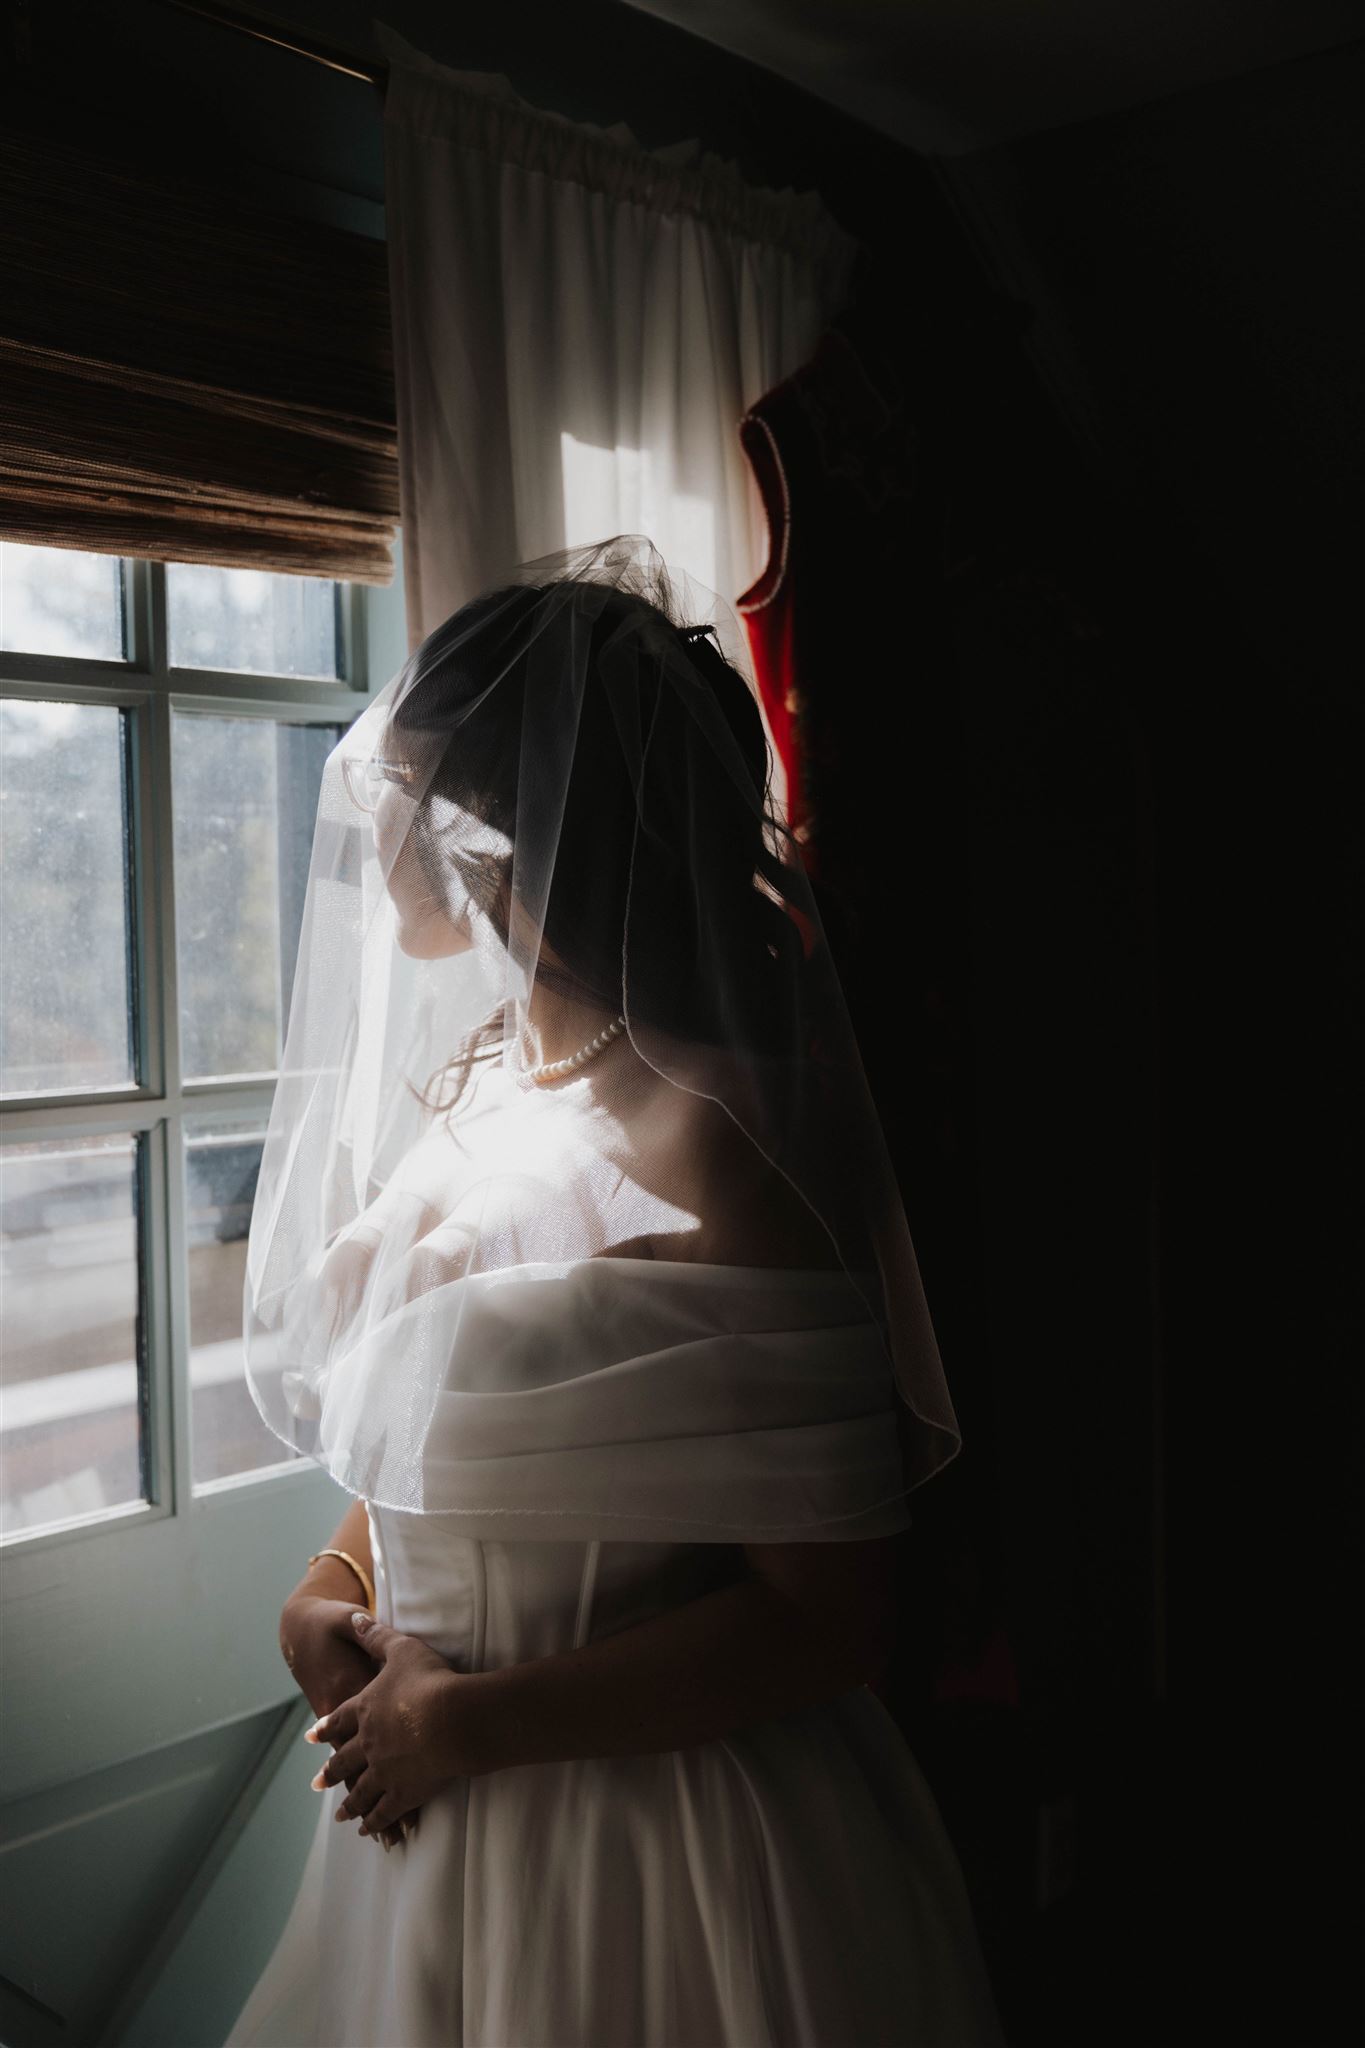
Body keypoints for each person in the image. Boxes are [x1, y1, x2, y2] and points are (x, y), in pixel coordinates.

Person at [225, 534, 1010, 2046]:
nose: (382, 815)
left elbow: (829, 1618)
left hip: (663, 1851)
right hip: (426, 1824)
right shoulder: (475, 1094)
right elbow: (451, 1433)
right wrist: (327, 1591)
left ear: (516, 826)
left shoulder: (722, 1139)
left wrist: (465, 1723)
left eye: (417, 783)